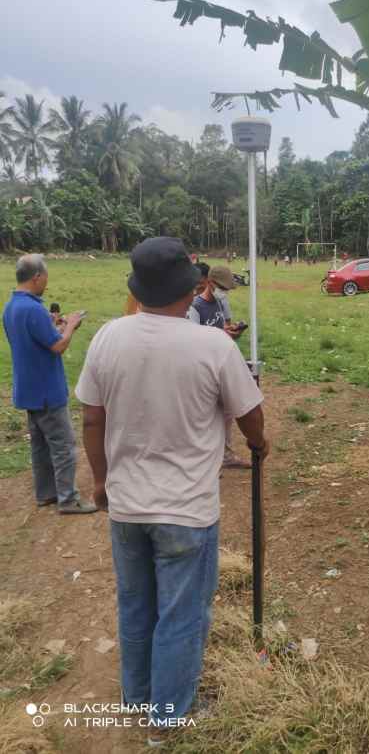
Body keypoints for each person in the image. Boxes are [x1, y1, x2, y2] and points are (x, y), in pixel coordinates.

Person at [75, 237, 269, 745]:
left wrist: (99, 481)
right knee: (181, 615)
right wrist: (259, 443)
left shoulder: (107, 337)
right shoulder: (212, 345)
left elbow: (92, 418)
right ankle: (167, 718)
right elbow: (249, 414)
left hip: (127, 506)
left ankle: (138, 697)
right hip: (185, 510)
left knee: (136, 605)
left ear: (138, 289)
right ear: (190, 289)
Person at [2, 254, 97, 514]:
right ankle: (68, 499)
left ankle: (46, 493)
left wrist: (55, 325)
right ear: (36, 277)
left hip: (28, 388)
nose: (46, 281)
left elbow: (34, 339)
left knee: (40, 445)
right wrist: (72, 325)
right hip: (47, 389)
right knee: (64, 445)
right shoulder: (33, 308)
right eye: (45, 276)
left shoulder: (12, 306)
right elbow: (57, 345)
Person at [188, 265, 250, 469]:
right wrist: (222, 335)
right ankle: (205, 460)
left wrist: (229, 330)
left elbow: (218, 327)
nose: (225, 291)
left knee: (226, 414)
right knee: (205, 416)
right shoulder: (195, 307)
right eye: (222, 287)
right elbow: (193, 340)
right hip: (203, 369)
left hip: (219, 364)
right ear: (210, 283)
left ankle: (224, 455)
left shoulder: (219, 302)